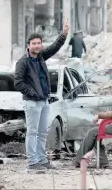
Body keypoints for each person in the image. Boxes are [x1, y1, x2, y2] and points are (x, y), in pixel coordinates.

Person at [14, 20, 69, 170]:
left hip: (44, 101)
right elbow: (18, 82)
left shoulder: (40, 57)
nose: (37, 45)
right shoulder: (23, 62)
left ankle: (42, 160)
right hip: (32, 102)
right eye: (34, 43)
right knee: (32, 132)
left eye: (39, 43)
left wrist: (63, 34)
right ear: (28, 45)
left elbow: (55, 47)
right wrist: (32, 93)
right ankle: (33, 162)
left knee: (42, 132)